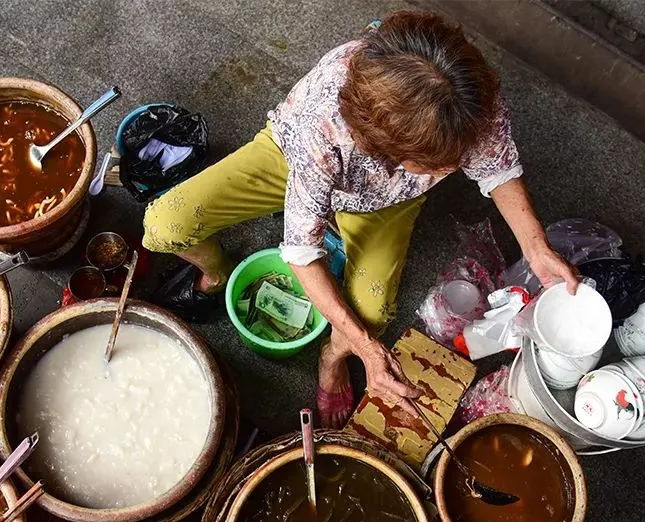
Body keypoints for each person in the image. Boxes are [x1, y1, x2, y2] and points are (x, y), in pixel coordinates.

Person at [143, 10, 578, 427]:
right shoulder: (323, 127)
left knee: (371, 312)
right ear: (382, 145)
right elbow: (301, 253)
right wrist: (370, 351)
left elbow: (497, 168)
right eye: (438, 164)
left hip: (387, 200)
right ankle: (216, 274)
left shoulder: (469, 96)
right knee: (166, 225)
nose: (453, 170)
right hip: (294, 159)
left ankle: (331, 358)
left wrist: (536, 247)